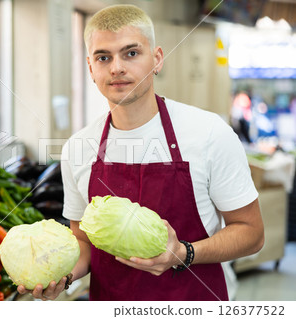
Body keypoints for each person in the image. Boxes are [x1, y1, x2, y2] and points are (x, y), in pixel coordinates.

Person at [18, 4, 264, 301]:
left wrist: (184, 253)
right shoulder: (78, 148)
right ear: (90, 68)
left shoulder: (209, 133)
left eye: (131, 53)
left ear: (157, 59)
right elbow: (82, 240)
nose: (117, 67)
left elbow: (251, 232)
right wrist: (63, 275)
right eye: (103, 57)